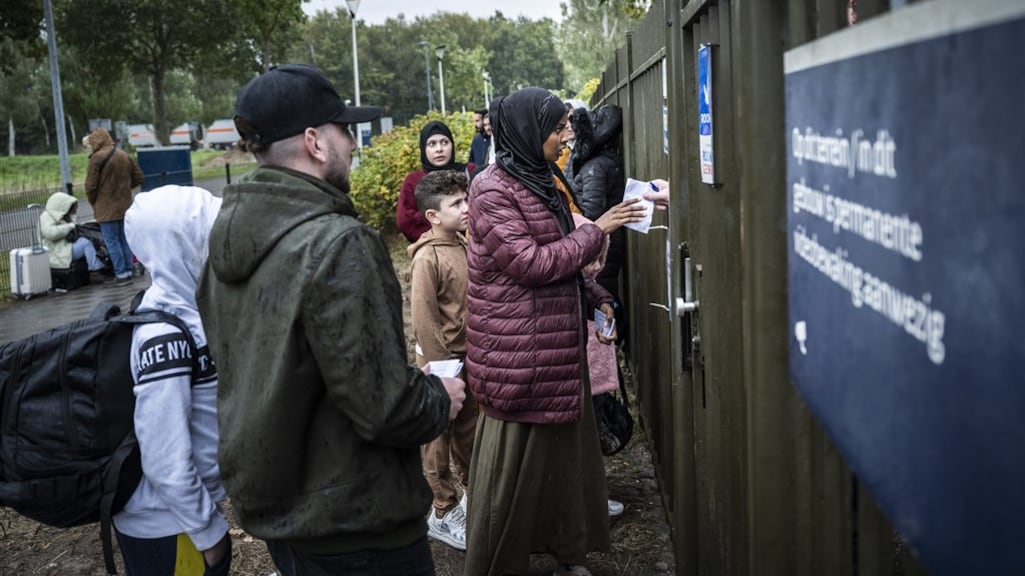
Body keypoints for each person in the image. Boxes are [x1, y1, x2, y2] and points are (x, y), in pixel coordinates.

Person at [196, 63, 465, 576]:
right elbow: (384, 408)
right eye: (346, 131)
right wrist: (436, 398)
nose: (353, 144)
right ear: (316, 142)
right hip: (356, 523)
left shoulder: (227, 238)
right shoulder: (340, 244)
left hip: (284, 516)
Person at [463, 86, 647, 576]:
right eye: (557, 128)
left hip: (558, 352)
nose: (567, 137)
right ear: (527, 132)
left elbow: (562, 257)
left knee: (564, 468)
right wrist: (598, 229)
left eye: (567, 126)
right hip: (517, 358)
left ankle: (568, 556)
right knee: (512, 475)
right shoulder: (490, 189)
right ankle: (498, 564)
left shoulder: (543, 178)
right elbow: (529, 263)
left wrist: (598, 298)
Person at [117, 185, 231, 576]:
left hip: (185, 519)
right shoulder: (162, 334)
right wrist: (208, 531)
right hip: (169, 528)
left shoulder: (190, 311)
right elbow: (164, 459)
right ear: (180, 246)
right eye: (206, 238)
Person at [408, 170, 476, 552]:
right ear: (433, 215)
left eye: (466, 200)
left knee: (467, 431)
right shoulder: (427, 258)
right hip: (442, 366)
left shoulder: (463, 243)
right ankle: (443, 509)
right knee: (437, 437)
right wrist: (440, 372)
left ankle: (468, 498)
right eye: (456, 204)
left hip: (468, 360)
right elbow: (424, 319)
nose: (466, 208)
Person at [84, 127, 144, 286]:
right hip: (125, 206)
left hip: (106, 208)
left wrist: (94, 200)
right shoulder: (123, 155)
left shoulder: (96, 158)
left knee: (112, 241)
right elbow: (139, 177)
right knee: (124, 239)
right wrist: (124, 189)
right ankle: (129, 271)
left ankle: (121, 275)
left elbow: (90, 186)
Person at [396, 120, 474, 242]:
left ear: (452, 145)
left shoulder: (469, 172)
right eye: (432, 144)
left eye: (444, 142)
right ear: (423, 148)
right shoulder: (413, 180)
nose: (439, 149)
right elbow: (405, 222)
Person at [38, 191, 104, 279]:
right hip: (57, 252)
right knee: (85, 243)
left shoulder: (59, 216)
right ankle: (95, 270)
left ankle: (97, 267)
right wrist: (68, 227)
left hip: (63, 248)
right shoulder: (46, 218)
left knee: (90, 239)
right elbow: (50, 233)